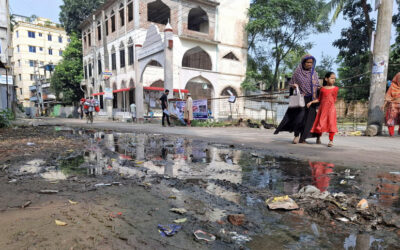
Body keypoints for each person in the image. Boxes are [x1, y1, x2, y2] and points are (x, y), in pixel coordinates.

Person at [274, 54, 320, 144]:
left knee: (308, 120)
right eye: (308, 62)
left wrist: (319, 89)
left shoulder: (314, 73)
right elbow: (291, 83)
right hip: (301, 98)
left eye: (311, 62)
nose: (310, 64)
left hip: (311, 99)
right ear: (303, 62)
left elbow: (317, 85)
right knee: (299, 117)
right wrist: (294, 86)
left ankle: (303, 138)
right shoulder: (297, 72)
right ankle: (296, 136)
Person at [308, 72, 339, 147]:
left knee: (331, 124)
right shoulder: (322, 89)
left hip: (331, 109)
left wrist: (329, 104)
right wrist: (311, 102)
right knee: (320, 124)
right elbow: (319, 99)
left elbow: (334, 99)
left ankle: (331, 141)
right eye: (332, 78)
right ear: (326, 79)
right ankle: (318, 138)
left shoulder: (335, 88)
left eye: (334, 78)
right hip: (322, 109)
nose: (333, 80)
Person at [383, 72, 400, 136]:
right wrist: (383, 106)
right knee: (391, 118)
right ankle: (391, 133)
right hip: (393, 105)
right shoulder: (392, 86)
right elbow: (388, 96)